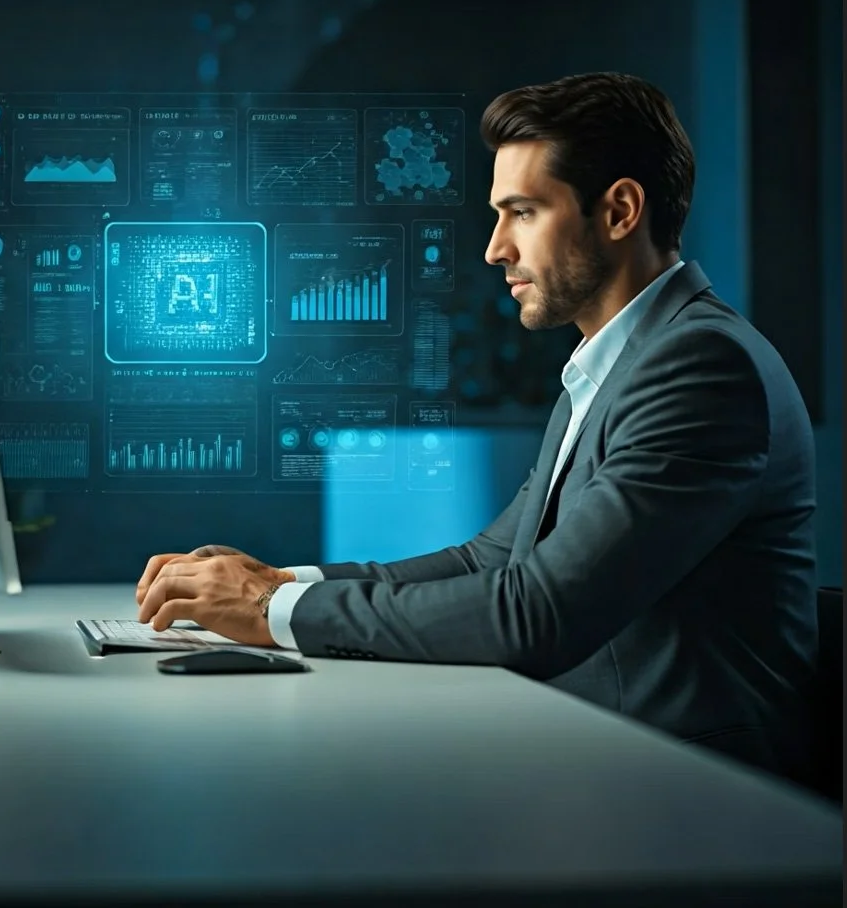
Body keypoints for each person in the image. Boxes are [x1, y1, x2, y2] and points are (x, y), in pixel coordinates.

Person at [135, 72, 818, 782]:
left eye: (522, 212)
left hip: (692, 788)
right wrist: (277, 579)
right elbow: (487, 562)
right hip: (601, 753)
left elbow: (536, 615)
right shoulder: (618, 360)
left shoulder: (699, 367)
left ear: (618, 211)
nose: (494, 248)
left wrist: (272, 609)